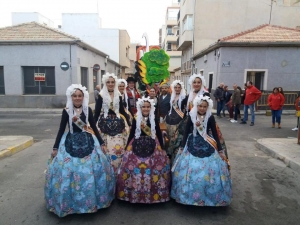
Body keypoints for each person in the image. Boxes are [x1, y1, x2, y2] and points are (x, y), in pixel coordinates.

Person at [45, 84, 115, 217]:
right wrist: (55, 147)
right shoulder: (66, 111)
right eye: (75, 96)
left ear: (83, 97)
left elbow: (93, 127)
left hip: (88, 141)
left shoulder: (87, 109)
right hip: (70, 142)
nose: (77, 98)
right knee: (67, 171)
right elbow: (61, 129)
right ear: (71, 97)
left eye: (80, 96)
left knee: (93, 170)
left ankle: (92, 202)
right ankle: (69, 204)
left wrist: (101, 144)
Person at [171, 95, 232, 206]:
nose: (202, 108)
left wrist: (220, 149)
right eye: (200, 106)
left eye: (204, 106)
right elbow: (185, 133)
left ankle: (211, 197)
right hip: (192, 142)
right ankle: (187, 196)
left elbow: (214, 134)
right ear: (196, 106)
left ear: (207, 107)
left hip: (207, 143)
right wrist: (181, 147)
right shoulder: (191, 116)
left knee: (212, 167)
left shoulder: (210, 117)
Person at [116, 97, 171, 203]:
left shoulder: (154, 118)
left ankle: (153, 194)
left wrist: (163, 149)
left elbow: (158, 134)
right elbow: (132, 133)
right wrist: (127, 147)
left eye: (148, 107)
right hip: (136, 146)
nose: (145, 109)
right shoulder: (137, 118)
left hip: (153, 146)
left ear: (151, 108)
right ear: (140, 108)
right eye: (143, 107)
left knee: (154, 169)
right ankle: (134, 193)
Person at [94, 73, 131, 175]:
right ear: (105, 83)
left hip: (118, 123)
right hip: (104, 124)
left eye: (112, 82)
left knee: (119, 147)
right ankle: (107, 169)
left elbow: (122, 111)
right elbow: (97, 112)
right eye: (108, 82)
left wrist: (129, 122)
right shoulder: (101, 95)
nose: (110, 84)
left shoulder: (118, 95)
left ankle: (119, 168)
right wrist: (92, 126)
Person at [165, 80, 187, 161]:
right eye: (176, 87)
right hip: (170, 119)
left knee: (176, 137)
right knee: (169, 136)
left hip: (179, 119)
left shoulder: (184, 97)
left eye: (179, 87)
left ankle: (175, 153)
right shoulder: (171, 96)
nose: (177, 89)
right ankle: (169, 152)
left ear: (181, 88)